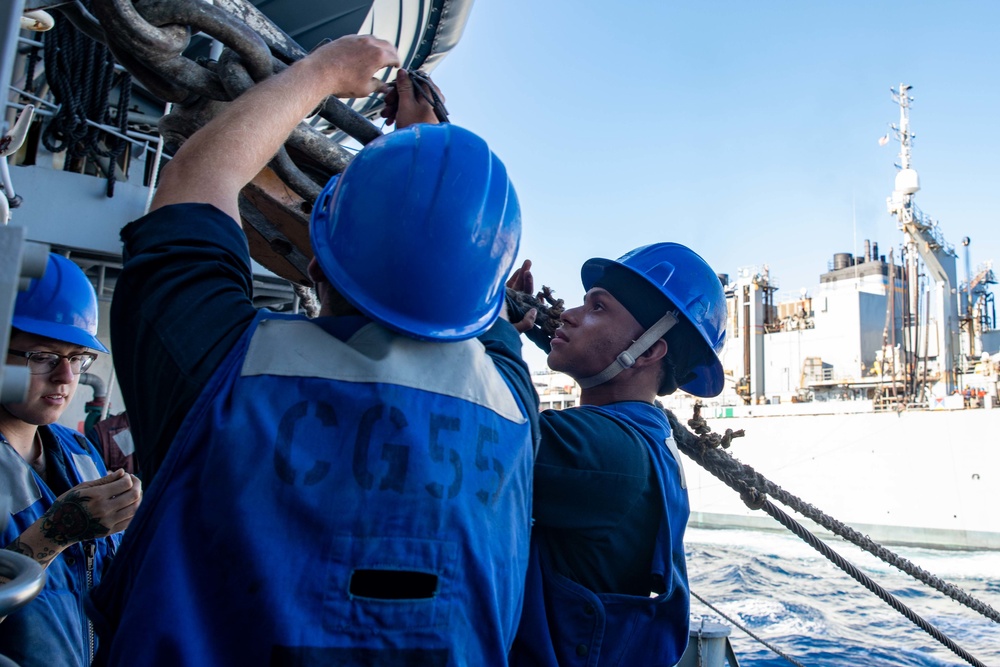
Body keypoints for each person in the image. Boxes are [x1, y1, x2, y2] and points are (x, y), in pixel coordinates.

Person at [88, 35, 538, 666]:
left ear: (316, 263)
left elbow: (200, 176)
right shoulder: (515, 409)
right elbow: (467, 295)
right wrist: (430, 149)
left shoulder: (222, 367)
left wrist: (323, 71)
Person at [505, 243, 727, 666]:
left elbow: (483, 427)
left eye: (598, 308)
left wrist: (488, 328)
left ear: (646, 351)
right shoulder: (643, 438)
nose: (568, 314)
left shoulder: (608, 451)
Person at [0, 253, 142, 667]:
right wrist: (53, 534)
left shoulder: (78, 451)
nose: (66, 378)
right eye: (42, 356)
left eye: (77, 358)